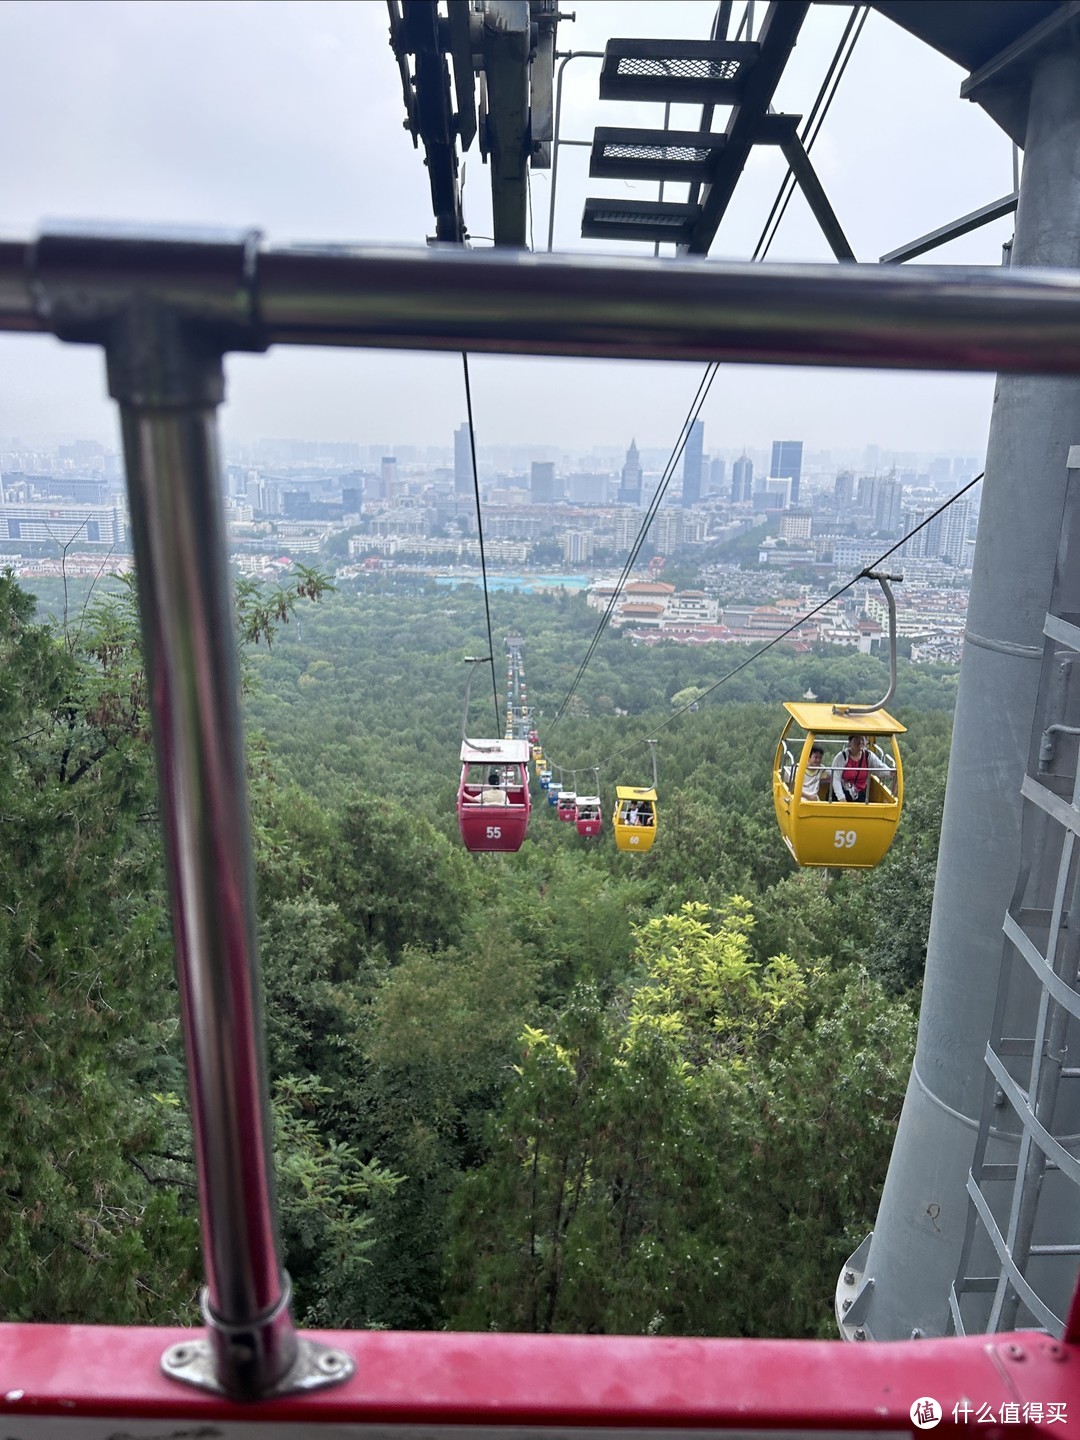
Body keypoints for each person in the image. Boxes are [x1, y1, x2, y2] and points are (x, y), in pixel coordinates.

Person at [832, 734, 892, 802]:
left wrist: (890, 772)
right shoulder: (842, 757)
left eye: (862, 739)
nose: (860, 742)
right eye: (857, 739)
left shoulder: (868, 756)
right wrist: (841, 798)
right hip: (843, 791)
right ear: (850, 742)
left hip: (859, 793)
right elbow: (836, 778)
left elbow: (879, 767)